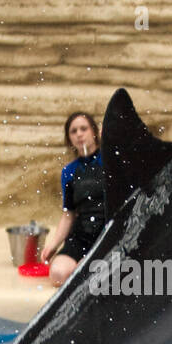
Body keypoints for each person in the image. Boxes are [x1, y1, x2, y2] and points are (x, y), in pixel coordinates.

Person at [41, 111, 107, 286]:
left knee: (101, 275)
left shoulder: (110, 160)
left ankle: (85, 269)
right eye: (73, 131)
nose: (79, 134)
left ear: (94, 132)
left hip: (107, 233)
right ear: (69, 139)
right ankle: (83, 268)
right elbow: (68, 214)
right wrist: (53, 245)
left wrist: (110, 138)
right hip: (82, 234)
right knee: (57, 274)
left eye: (84, 129)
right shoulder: (69, 171)